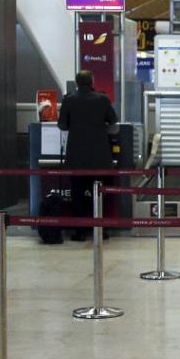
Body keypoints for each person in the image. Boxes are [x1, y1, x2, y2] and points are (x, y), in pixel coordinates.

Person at [57, 70, 117, 243]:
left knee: (78, 195)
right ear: (92, 81)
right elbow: (113, 121)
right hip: (100, 156)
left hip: (77, 156)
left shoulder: (69, 100)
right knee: (99, 194)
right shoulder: (103, 99)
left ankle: (80, 231)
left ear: (76, 83)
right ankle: (101, 229)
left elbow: (62, 125)